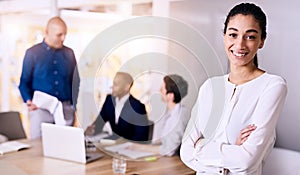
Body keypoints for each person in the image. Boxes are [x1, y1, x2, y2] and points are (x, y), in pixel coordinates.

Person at [180, 3, 287, 175]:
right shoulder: (210, 87)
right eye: (233, 34)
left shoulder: (272, 86)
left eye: (250, 37)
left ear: (262, 41)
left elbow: (246, 161)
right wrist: (231, 151)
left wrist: (200, 146)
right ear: (224, 37)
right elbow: (185, 152)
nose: (240, 44)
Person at [19, 16, 80, 140]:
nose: (63, 38)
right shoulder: (32, 53)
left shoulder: (69, 53)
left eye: (65, 34)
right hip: (41, 109)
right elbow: (24, 82)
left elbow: (76, 82)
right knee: (38, 148)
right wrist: (28, 100)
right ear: (47, 32)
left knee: (66, 146)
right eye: (59, 35)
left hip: (65, 109)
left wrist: (75, 106)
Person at [129, 74, 190, 156]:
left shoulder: (180, 116)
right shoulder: (170, 112)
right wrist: (148, 146)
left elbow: (169, 150)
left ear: (170, 96)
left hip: (175, 162)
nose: (159, 91)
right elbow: (165, 139)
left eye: (162, 89)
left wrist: (140, 147)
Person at [85, 72, 150, 142]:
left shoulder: (138, 107)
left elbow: (141, 137)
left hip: (129, 148)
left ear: (127, 87)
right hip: (112, 145)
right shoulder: (109, 100)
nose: (111, 87)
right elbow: (99, 123)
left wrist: (122, 143)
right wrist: (92, 130)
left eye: (116, 84)